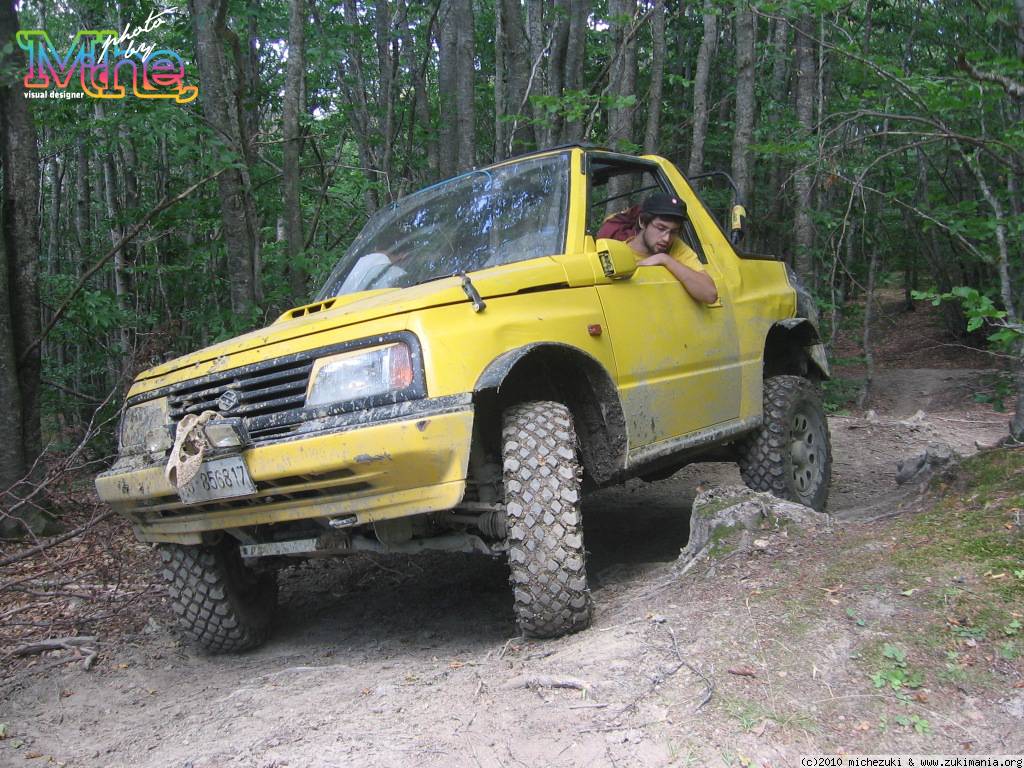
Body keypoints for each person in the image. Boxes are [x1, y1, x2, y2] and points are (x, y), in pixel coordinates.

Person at [599, 193, 718, 305]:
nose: (666, 238)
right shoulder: (616, 252)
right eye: (661, 228)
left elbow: (710, 294)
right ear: (642, 222)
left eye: (673, 232)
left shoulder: (676, 248)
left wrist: (665, 259)